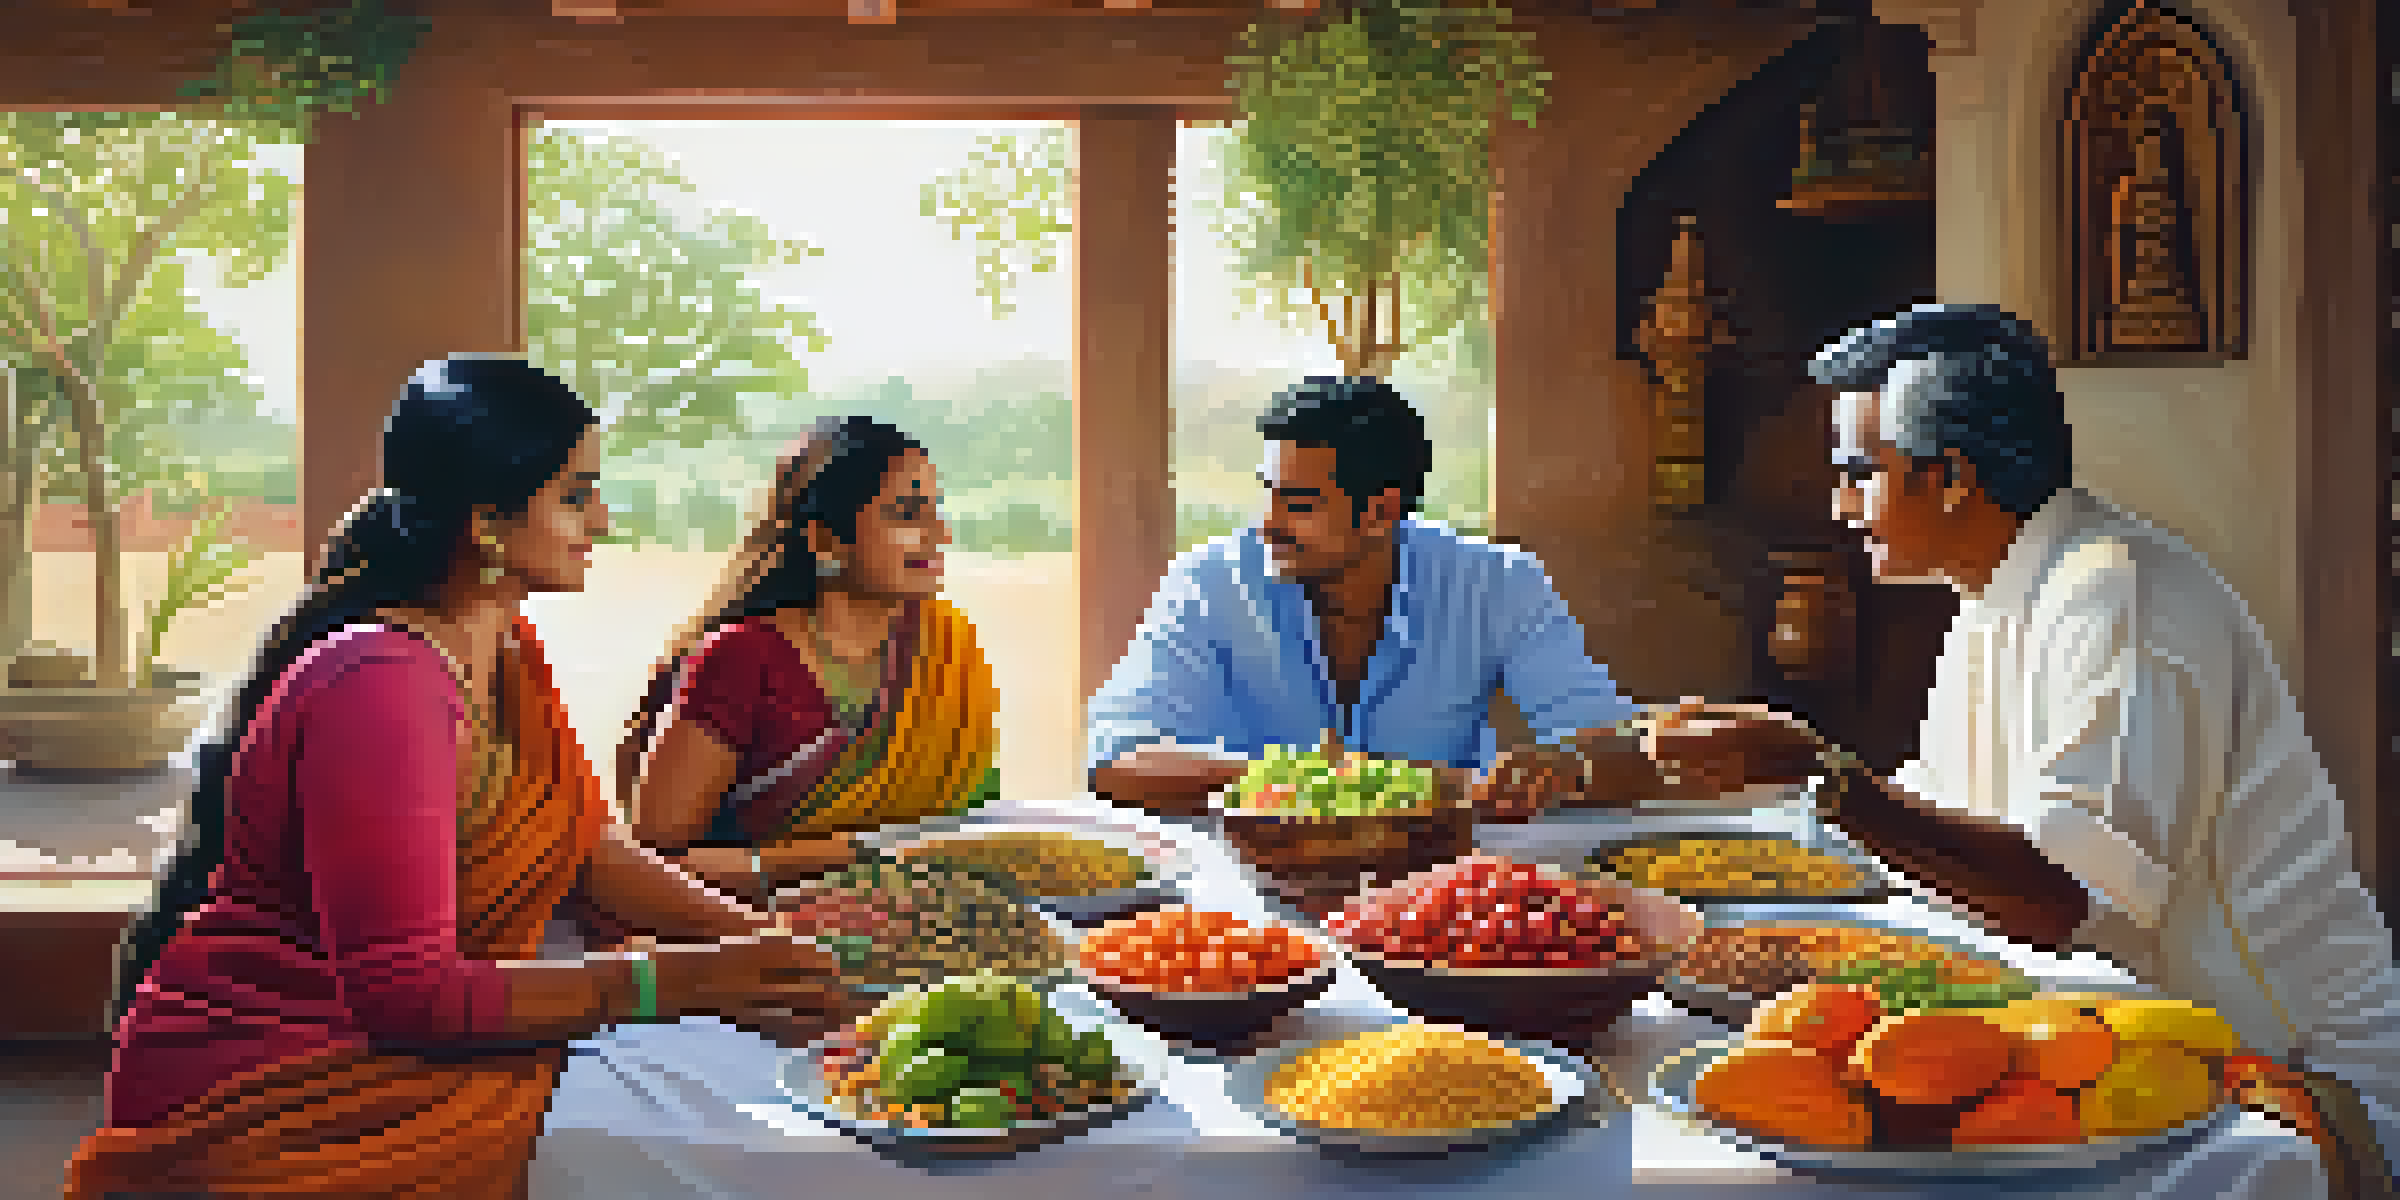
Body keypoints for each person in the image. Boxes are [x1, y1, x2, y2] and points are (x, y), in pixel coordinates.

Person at [65, 357, 864, 1200]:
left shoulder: (503, 651)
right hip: (301, 1080)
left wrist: (761, 946)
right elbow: (408, 1000)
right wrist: (681, 981)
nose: (603, 518)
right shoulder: (380, 684)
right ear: (488, 522)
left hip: (457, 1035)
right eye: (575, 494)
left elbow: (585, 853)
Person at [1705, 302, 2396, 1190]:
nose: (1840, 506)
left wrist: (1822, 777)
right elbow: (1934, 830)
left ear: (1950, 475)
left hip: (2287, 1091)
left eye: (1859, 472)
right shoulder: (1994, 592)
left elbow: (2060, 896)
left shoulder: (2120, 595)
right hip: (2123, 1059)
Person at [1085, 376, 1814, 822]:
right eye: (1269, 492)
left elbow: (1605, 738)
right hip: (1248, 892)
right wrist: (1327, 782)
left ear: (1381, 510)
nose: (1269, 521)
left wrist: (1565, 772)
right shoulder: (1212, 582)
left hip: (1443, 890)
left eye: (1300, 502)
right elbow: (1117, 757)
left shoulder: (1496, 584)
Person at [620, 416, 1002, 909]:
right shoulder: (742, 658)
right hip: (751, 941)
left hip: (928, 922)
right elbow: (652, 865)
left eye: (935, 511)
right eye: (907, 514)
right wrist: (849, 855)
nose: (939, 535)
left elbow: (965, 825)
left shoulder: (947, 648)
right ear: (824, 541)